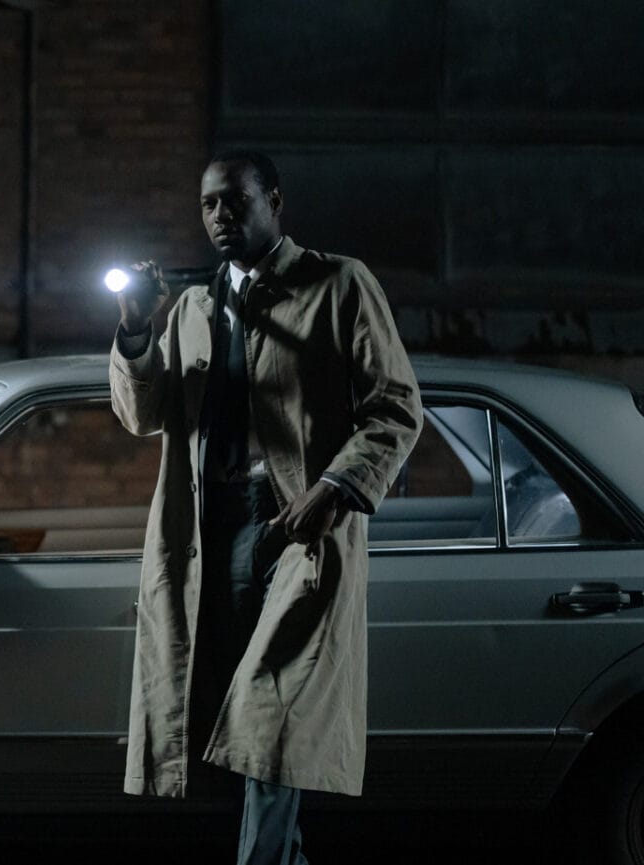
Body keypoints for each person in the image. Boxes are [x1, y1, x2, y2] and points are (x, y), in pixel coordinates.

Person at [108, 150, 423, 864]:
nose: (220, 215)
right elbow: (143, 415)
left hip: (296, 530)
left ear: (274, 201)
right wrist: (135, 330)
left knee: (270, 716)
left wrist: (335, 488)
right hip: (208, 531)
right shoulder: (195, 307)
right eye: (208, 204)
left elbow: (396, 406)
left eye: (235, 200)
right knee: (231, 723)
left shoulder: (338, 284)